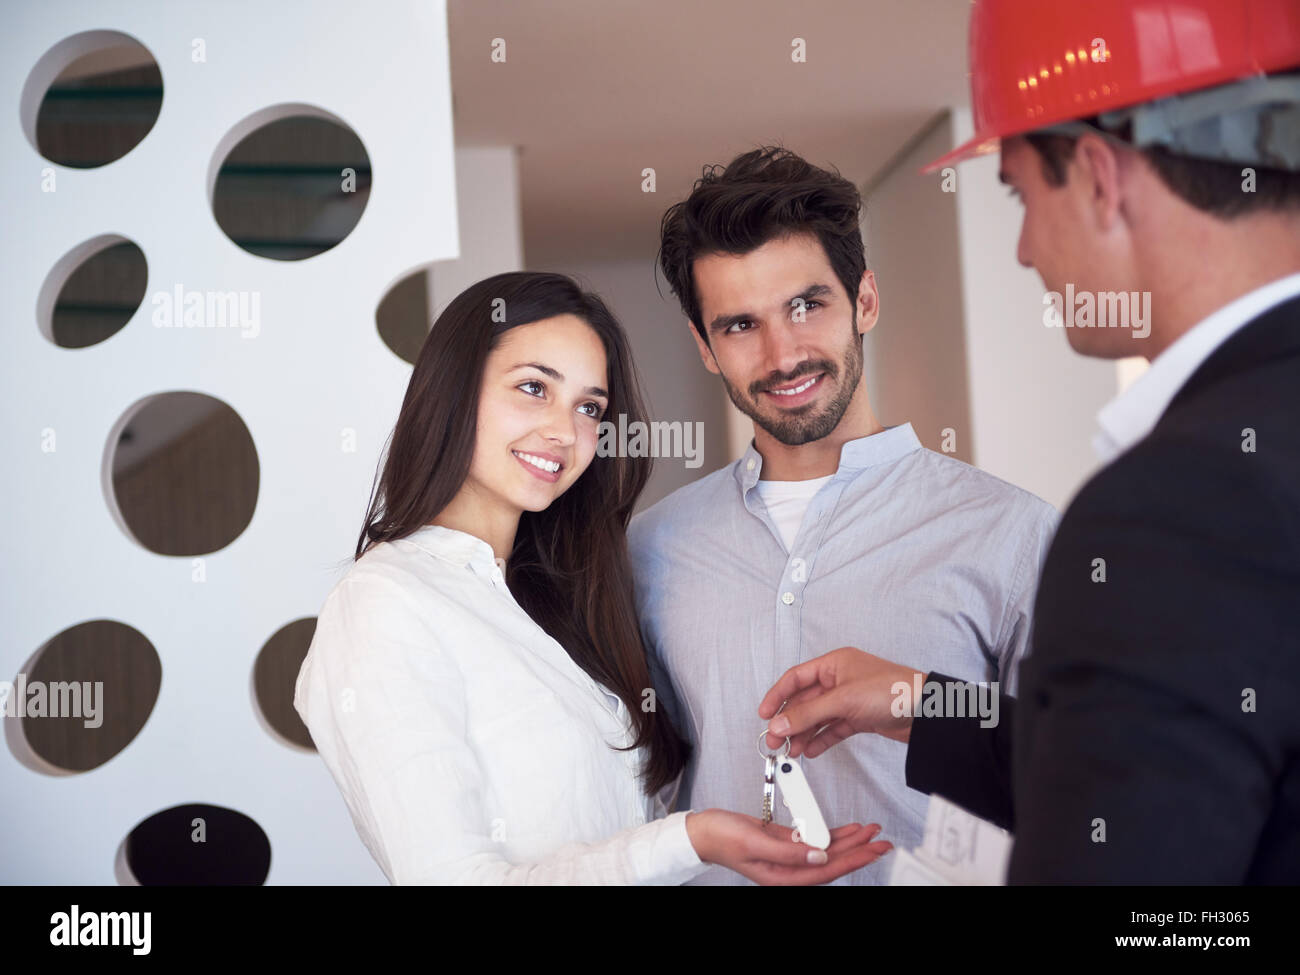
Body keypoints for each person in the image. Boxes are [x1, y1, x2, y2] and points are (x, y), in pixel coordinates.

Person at [761, 0, 1300, 883]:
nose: (1019, 249)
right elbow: (1141, 763)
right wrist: (924, 702)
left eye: (1017, 191)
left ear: (1097, 175)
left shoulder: (1181, 505)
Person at [293, 270, 890, 884]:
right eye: (532, 387)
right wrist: (691, 838)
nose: (564, 431)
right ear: (452, 389)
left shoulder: (560, 604)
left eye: (589, 408)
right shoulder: (383, 605)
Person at [627, 147, 1059, 885]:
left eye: (806, 305)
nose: (782, 353)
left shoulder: (1014, 534)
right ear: (704, 347)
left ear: (863, 300)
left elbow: (1081, 776)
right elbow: (643, 788)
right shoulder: (653, 547)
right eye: (739, 325)